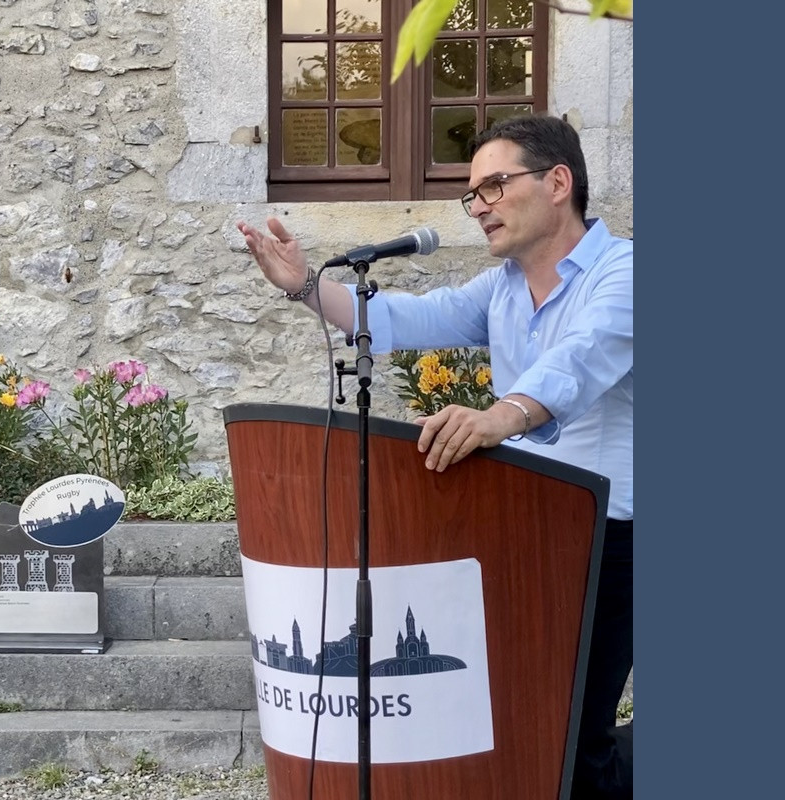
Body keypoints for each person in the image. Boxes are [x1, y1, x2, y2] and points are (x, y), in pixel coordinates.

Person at [237, 114, 633, 799]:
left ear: (558, 182)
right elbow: (406, 319)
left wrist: (499, 416)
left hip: (615, 535)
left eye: (494, 186)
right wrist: (305, 287)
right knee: (524, 728)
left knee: (578, 736)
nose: (478, 207)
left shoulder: (626, 273)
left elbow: (581, 361)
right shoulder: (504, 287)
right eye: (471, 194)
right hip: (528, 528)